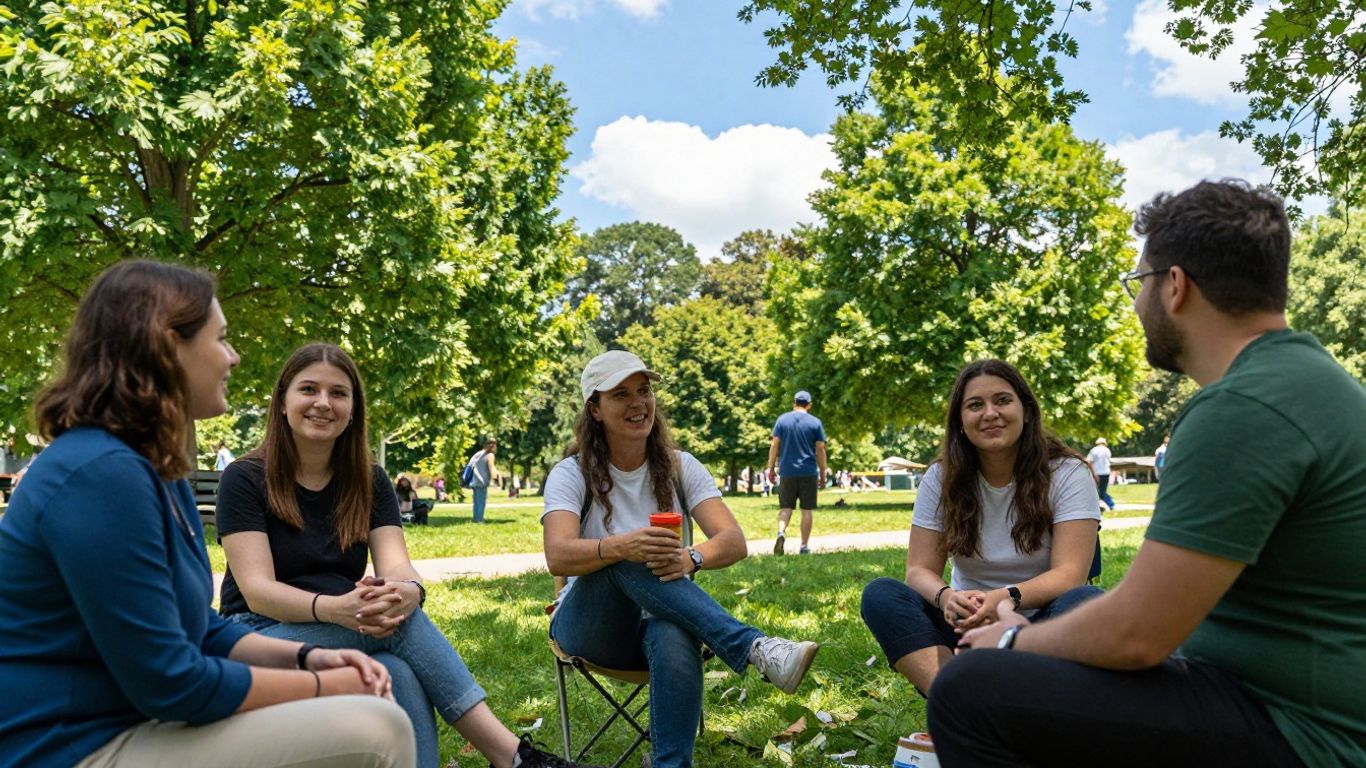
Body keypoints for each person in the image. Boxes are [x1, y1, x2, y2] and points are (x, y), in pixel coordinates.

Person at [933, 179, 1366, 766]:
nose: (1136, 304)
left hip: (1299, 733)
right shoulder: (1314, 383)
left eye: (1139, 283)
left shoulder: (1242, 409)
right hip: (1270, 699)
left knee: (969, 691)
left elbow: (1137, 635)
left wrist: (1013, 639)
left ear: (1175, 286)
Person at [0, 261, 413, 768]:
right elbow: (172, 684)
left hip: (135, 724)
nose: (232, 357)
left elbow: (202, 629)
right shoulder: (98, 474)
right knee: (377, 728)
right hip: (70, 747)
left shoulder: (156, 469)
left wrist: (308, 656)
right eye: (220, 339)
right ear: (165, 346)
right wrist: (323, 685)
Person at [216, 343, 596, 768]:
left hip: (345, 622)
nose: (323, 403)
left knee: (400, 671)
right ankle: (512, 757)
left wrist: (409, 591)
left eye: (339, 393)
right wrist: (339, 609)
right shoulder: (245, 478)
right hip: (256, 637)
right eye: (309, 389)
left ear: (354, 409)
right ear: (283, 401)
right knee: (398, 627)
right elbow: (258, 592)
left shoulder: (369, 479)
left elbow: (397, 564)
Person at [542, 350, 820, 768]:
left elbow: (733, 541)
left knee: (672, 628)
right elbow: (557, 554)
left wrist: (691, 558)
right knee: (630, 551)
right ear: (594, 409)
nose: (639, 403)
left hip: (661, 622)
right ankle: (755, 648)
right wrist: (621, 547)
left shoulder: (679, 466)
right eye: (621, 394)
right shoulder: (571, 472)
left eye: (644, 390)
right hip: (590, 625)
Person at [860, 359, 1103, 697]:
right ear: (960, 421)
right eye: (975, 405)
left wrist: (1004, 599)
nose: (990, 413)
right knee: (881, 595)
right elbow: (918, 570)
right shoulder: (941, 478)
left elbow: (1070, 575)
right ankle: (959, 699)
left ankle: (1001, 699)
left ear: (1027, 410)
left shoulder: (1067, 473)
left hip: (1039, 625)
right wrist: (948, 598)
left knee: (1086, 601)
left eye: (1002, 400)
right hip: (964, 624)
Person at [765, 390, 827, 555]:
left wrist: (770, 468)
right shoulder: (815, 423)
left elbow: (774, 445)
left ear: (794, 402)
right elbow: (820, 450)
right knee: (806, 510)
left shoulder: (782, 420)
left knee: (786, 508)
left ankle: (781, 532)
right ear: (809, 404)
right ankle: (804, 546)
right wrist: (823, 473)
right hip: (808, 471)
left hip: (787, 471)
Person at [466, 439, 499, 523]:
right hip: (481, 481)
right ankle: (479, 519)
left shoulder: (478, 454)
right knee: (481, 502)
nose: (493, 446)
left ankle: (476, 518)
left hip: (474, 480)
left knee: (476, 502)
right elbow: (491, 468)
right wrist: (496, 479)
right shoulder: (490, 455)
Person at [1085, 437, 1115, 512]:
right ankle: (1105, 505)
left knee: (1097, 491)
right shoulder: (1107, 450)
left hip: (1097, 473)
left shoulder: (1094, 450)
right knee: (1102, 491)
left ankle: (1110, 504)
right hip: (1106, 473)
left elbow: (1088, 462)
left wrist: (1093, 474)